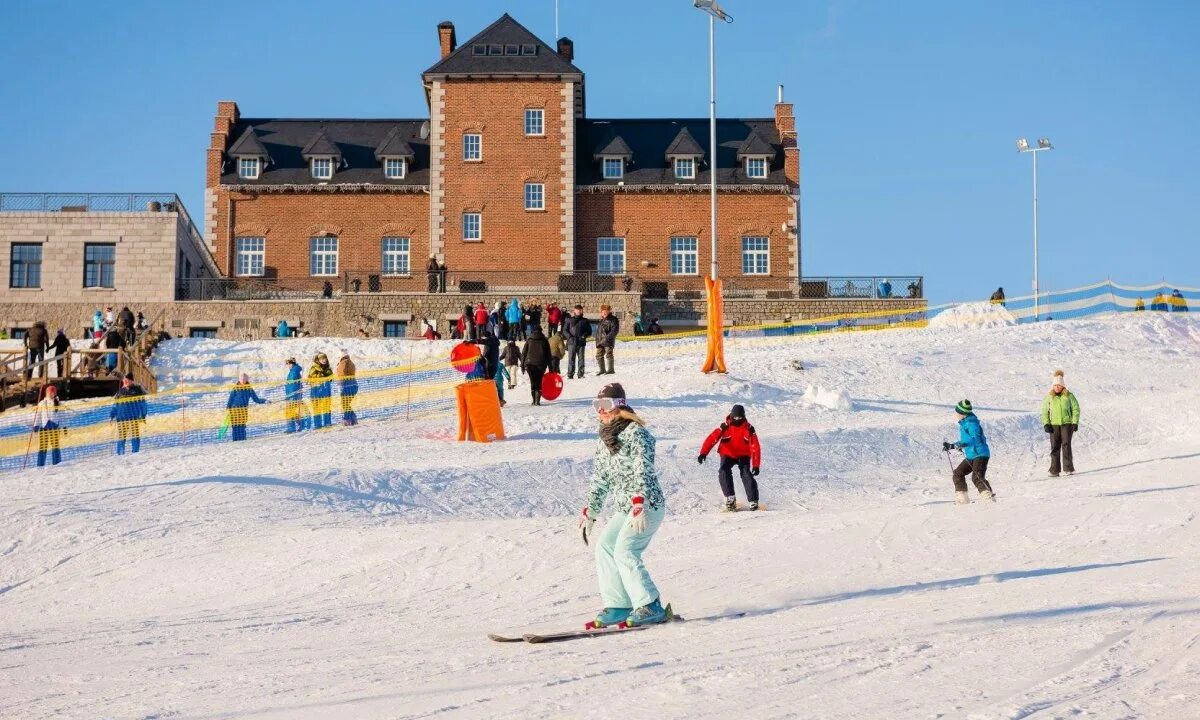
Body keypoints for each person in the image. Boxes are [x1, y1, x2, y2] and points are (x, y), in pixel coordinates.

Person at [578, 383, 670, 628]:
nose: (601, 411)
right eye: (596, 406)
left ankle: (650, 604)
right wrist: (591, 511)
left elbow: (643, 469)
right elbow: (601, 478)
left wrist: (640, 501)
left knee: (625, 551)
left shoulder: (637, 433)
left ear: (619, 405)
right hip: (626, 508)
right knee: (605, 547)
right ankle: (619, 604)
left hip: (647, 504)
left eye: (605, 405)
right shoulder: (605, 439)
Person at [698, 404, 762, 511]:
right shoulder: (725, 427)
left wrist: (756, 465)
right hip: (728, 454)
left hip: (743, 454)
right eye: (735, 417)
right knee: (723, 470)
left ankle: (753, 501)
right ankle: (730, 498)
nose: (737, 419)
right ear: (731, 416)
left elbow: (755, 447)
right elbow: (712, 438)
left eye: (739, 417)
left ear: (743, 417)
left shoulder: (749, 429)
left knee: (746, 473)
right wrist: (703, 453)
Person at [942, 400, 994, 504]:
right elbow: (965, 441)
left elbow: (977, 439)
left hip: (980, 454)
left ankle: (988, 498)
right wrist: (952, 445)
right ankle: (963, 498)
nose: (956, 414)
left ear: (963, 413)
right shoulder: (965, 424)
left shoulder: (972, 424)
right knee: (958, 473)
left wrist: (962, 445)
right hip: (971, 455)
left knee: (977, 477)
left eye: (958, 412)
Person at [1041, 370, 1081, 477]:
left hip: (1067, 424)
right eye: (1055, 385)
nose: (1057, 387)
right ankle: (1054, 470)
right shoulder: (1049, 397)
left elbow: (1076, 408)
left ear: (1063, 385)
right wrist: (1046, 423)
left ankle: (1068, 468)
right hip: (1054, 425)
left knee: (1066, 445)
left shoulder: (1069, 396)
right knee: (1055, 446)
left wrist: (1075, 422)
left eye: (1059, 385)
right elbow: (1044, 411)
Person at [110, 373, 147, 455]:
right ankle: (120, 453)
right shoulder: (120, 391)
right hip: (121, 417)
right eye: (124, 380)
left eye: (127, 380)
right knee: (122, 436)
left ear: (131, 381)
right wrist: (112, 415)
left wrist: (143, 414)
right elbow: (115, 405)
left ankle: (135, 452)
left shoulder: (137, 390)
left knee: (135, 435)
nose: (125, 381)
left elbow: (143, 403)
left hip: (133, 416)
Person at [226, 373, 266, 442]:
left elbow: (256, 399)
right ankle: (235, 441)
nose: (243, 380)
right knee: (235, 427)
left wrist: (264, 401)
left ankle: (243, 440)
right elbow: (230, 399)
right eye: (241, 379)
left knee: (242, 426)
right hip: (234, 411)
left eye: (244, 379)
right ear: (239, 380)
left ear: (247, 380)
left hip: (243, 411)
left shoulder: (249, 389)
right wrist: (228, 408)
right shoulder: (235, 388)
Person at [32, 385, 64, 467]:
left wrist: (64, 426)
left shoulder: (58, 403)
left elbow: (62, 416)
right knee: (43, 446)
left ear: (55, 394)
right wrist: (36, 425)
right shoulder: (42, 403)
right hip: (44, 427)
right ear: (46, 393)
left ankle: (57, 463)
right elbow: (38, 415)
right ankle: (40, 464)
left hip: (54, 427)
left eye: (52, 393)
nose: (50, 394)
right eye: (49, 393)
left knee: (55, 445)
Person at [520, 326, 551, 405]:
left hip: (529, 364)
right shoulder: (544, 340)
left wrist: (522, 365)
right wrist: (551, 368)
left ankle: (534, 400)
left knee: (533, 381)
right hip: (541, 364)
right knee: (539, 381)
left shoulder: (529, 340)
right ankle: (537, 401)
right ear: (541, 331)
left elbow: (524, 353)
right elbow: (548, 355)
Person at [564, 304, 592, 379]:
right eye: (577, 310)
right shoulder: (569, 320)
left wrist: (584, 335)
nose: (578, 311)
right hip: (571, 342)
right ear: (574, 311)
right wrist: (570, 337)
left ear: (582, 311)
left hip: (581, 342)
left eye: (580, 310)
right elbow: (565, 330)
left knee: (581, 359)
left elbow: (589, 331)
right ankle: (570, 374)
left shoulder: (585, 320)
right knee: (571, 359)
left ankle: (581, 374)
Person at [308, 353, 334, 429]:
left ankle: (327, 423)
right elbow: (311, 377)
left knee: (327, 408)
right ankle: (317, 425)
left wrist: (327, 375)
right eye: (322, 359)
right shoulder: (314, 368)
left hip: (326, 391)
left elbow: (331, 378)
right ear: (318, 360)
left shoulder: (328, 368)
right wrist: (321, 374)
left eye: (325, 358)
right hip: (316, 391)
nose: (324, 360)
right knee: (317, 408)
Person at [595, 305, 619, 376]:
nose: (604, 313)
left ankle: (611, 370)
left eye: (605, 311)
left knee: (609, 354)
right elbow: (599, 332)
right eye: (602, 311)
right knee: (598, 355)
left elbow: (614, 330)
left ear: (609, 311)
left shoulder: (613, 319)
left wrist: (607, 338)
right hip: (600, 341)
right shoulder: (601, 320)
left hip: (608, 341)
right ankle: (602, 370)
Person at [337, 353, 358, 426]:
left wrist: (341, 381)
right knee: (346, 403)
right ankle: (353, 418)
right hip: (353, 385)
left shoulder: (343, 362)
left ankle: (347, 420)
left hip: (347, 385)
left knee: (345, 403)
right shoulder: (349, 362)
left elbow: (342, 372)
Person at [284, 358, 304, 433]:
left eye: (289, 364)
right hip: (294, 394)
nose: (288, 365)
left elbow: (292, 386)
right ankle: (301, 426)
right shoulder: (294, 371)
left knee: (290, 411)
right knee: (294, 411)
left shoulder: (293, 372)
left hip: (293, 395)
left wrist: (290, 395)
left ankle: (292, 428)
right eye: (287, 364)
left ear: (292, 364)